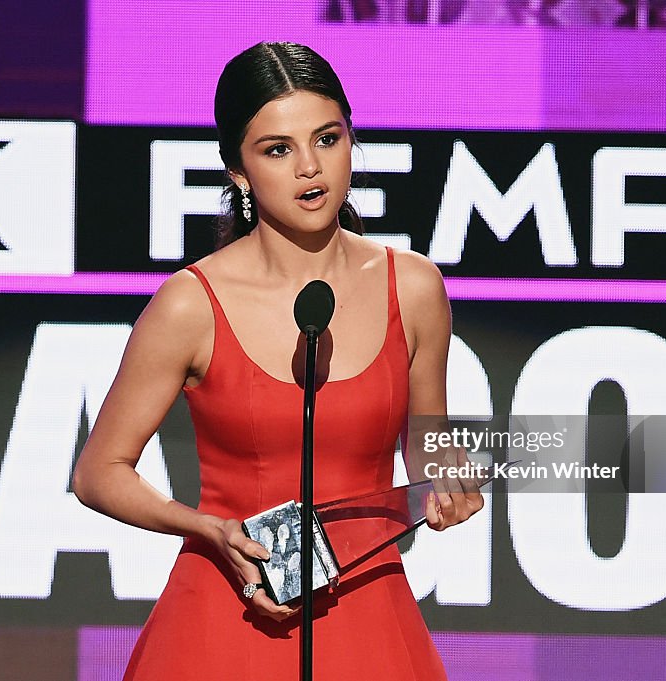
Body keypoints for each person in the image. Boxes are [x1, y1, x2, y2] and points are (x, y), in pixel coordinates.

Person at [71, 40, 484, 680]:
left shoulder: (415, 287)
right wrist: (209, 530)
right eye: (278, 149)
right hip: (225, 617)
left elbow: (426, 444)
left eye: (327, 138)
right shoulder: (192, 304)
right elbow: (99, 472)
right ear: (238, 172)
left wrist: (449, 480)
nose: (309, 168)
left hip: (368, 615)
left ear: (352, 140)